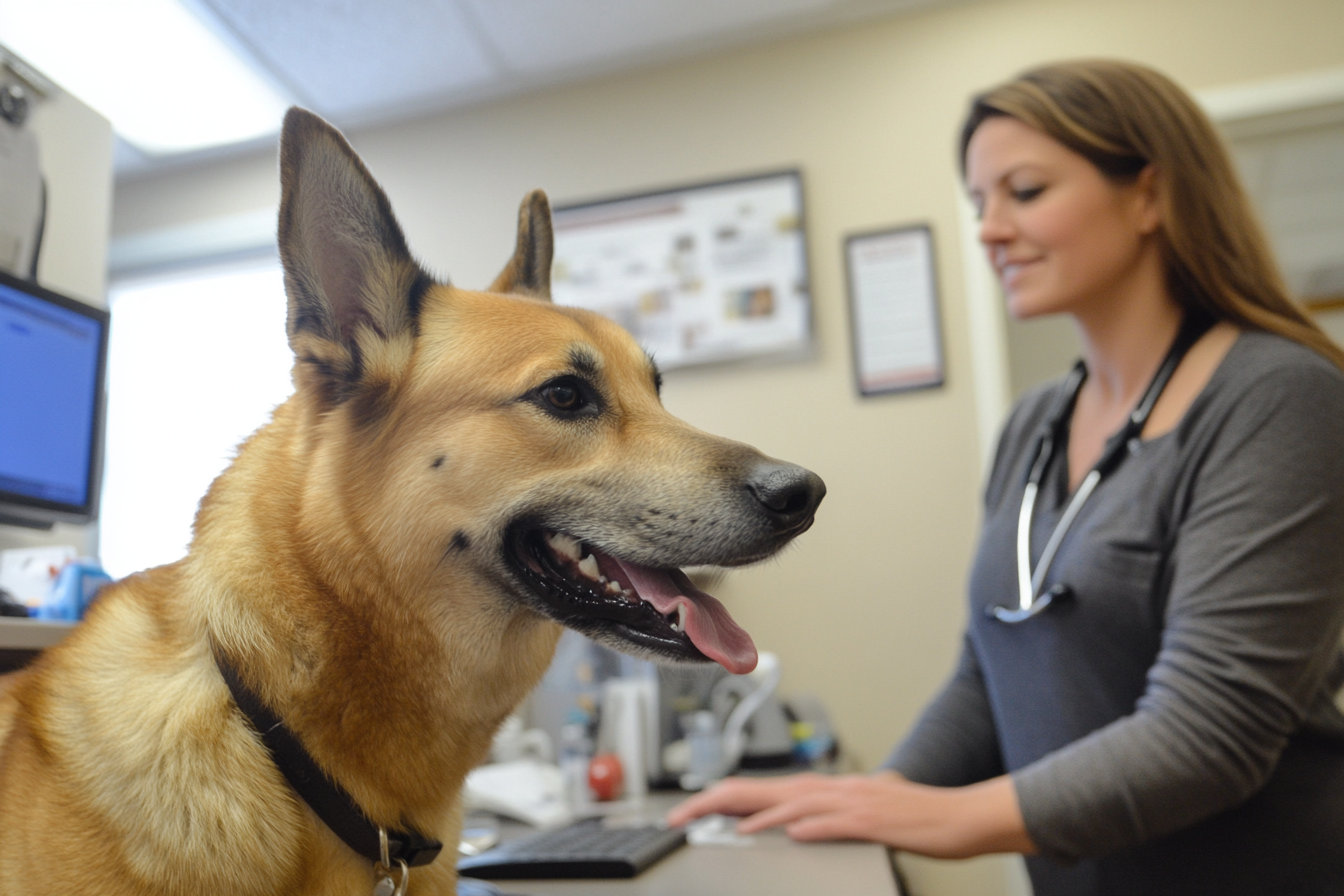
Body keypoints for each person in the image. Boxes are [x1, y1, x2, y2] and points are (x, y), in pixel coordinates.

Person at [668, 59, 1344, 895]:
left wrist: (941, 821)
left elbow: (1213, 732)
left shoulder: (1280, 397)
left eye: (1024, 192)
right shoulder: (1034, 423)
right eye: (979, 200)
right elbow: (991, 671)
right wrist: (881, 794)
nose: (988, 229)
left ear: (1149, 195)